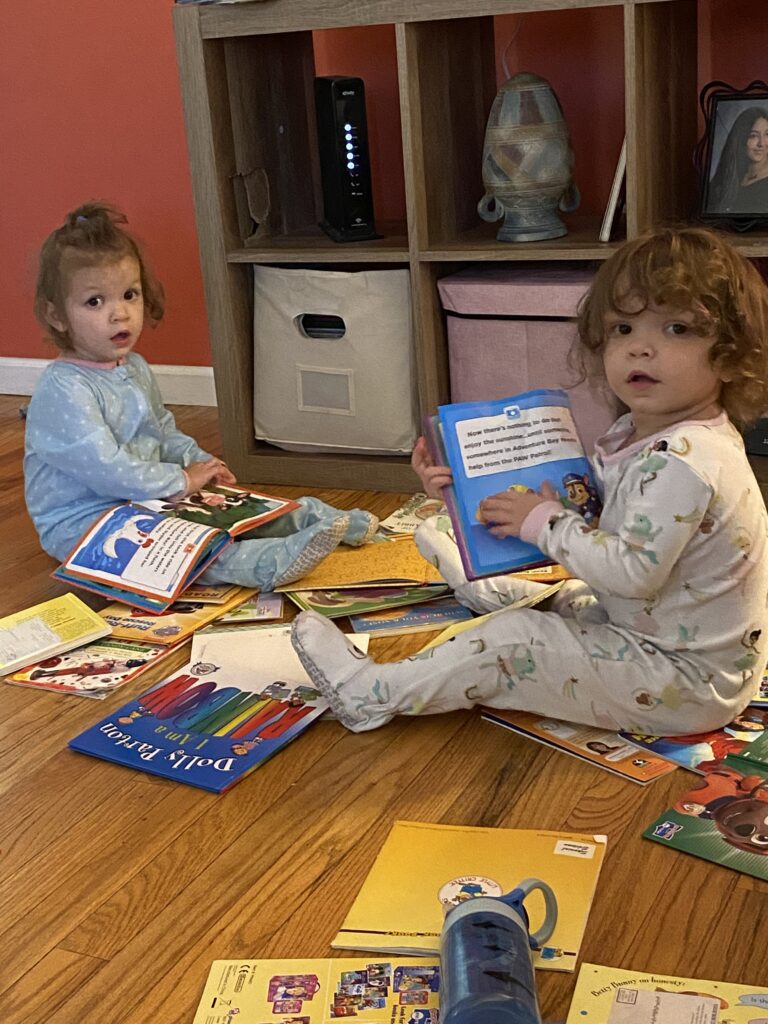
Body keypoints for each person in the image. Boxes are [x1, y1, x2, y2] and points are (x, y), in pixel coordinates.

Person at [291, 226, 768, 737]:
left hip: (684, 684)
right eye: (623, 329)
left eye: (676, 329)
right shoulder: (643, 432)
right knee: (572, 600)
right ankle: (497, 588)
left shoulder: (685, 460)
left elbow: (630, 573)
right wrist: (458, 490)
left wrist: (541, 521)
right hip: (656, 638)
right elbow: (597, 518)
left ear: (729, 354)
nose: (640, 349)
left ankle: (371, 695)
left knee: (513, 640)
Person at [25, 202, 378, 590]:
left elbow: (161, 431)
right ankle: (264, 563)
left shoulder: (134, 367)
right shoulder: (63, 389)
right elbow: (107, 468)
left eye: (129, 294)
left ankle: (310, 518)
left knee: (226, 506)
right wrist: (179, 480)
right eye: (95, 302)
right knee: (177, 551)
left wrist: (199, 463)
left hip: (146, 496)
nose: (120, 314)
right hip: (84, 520)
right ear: (57, 316)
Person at [708, 106, 768, 215]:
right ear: (741, 138)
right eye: (753, 136)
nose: (761, 143)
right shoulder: (728, 177)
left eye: (767, 135)